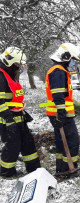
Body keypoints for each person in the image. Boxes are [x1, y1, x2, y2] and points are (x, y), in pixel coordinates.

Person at [0, 47, 41, 177]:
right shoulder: (1, 76)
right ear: (9, 62)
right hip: (8, 119)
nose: (19, 67)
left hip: (19, 116)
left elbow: (13, 97)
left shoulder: (10, 75)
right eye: (18, 64)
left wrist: (21, 107)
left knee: (28, 143)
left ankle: (34, 169)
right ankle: (6, 171)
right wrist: (9, 121)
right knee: (13, 145)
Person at [41, 43, 80, 173]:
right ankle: (69, 168)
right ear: (66, 56)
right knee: (72, 142)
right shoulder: (58, 71)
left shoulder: (56, 70)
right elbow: (57, 94)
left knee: (61, 142)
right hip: (61, 114)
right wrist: (62, 113)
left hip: (57, 114)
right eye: (72, 59)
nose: (73, 63)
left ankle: (62, 168)